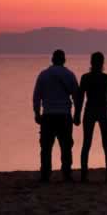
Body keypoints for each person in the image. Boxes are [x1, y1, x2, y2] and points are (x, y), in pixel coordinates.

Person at [33, 49, 79, 182]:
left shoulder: (43, 75)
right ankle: (66, 173)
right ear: (64, 60)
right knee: (66, 146)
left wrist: (37, 113)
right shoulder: (69, 74)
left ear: (52, 59)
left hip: (48, 115)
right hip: (64, 115)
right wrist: (76, 115)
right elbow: (76, 96)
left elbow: (37, 96)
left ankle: (45, 174)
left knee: (46, 147)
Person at [74, 51, 107, 182]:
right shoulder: (106, 78)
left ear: (91, 63)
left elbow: (80, 98)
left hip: (90, 111)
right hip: (102, 111)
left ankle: (84, 175)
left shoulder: (86, 78)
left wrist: (77, 114)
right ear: (102, 63)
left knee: (87, 143)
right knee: (106, 144)